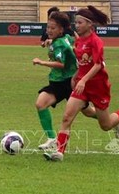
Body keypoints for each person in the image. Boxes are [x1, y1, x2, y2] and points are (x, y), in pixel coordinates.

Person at [44, 6, 119, 162]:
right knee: (66, 118)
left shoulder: (96, 41)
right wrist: (76, 77)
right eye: (75, 22)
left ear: (90, 24)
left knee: (106, 125)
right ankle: (59, 152)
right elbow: (82, 63)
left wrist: (83, 79)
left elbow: (98, 65)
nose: (76, 25)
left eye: (80, 22)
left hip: (98, 87)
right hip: (81, 86)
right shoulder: (78, 41)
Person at [33, 11, 104, 150]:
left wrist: (41, 62)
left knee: (88, 112)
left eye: (53, 28)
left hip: (68, 83)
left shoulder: (59, 44)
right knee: (41, 104)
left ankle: (109, 120)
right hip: (58, 82)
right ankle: (52, 139)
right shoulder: (65, 37)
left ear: (61, 29)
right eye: (48, 27)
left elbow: (61, 64)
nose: (49, 30)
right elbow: (73, 41)